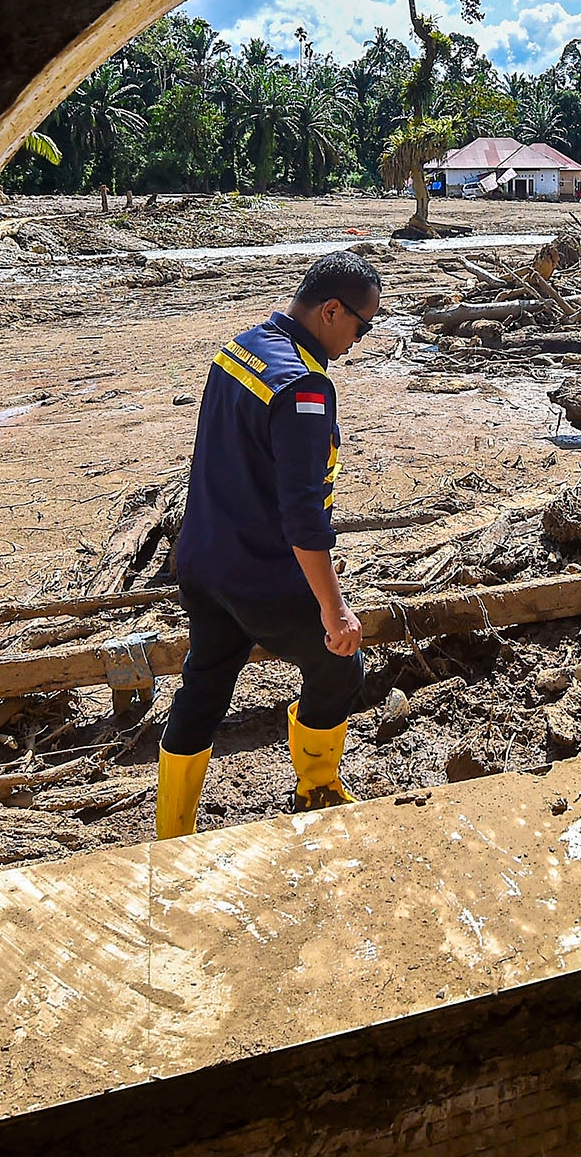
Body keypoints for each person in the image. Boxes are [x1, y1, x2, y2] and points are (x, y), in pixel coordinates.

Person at [154, 249, 383, 838]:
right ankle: (317, 787)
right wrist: (335, 610)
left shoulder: (241, 347)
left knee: (204, 686)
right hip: (260, 575)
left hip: (203, 560)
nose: (360, 341)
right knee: (341, 669)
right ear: (332, 311)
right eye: (363, 325)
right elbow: (304, 517)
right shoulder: (304, 387)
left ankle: (171, 833)